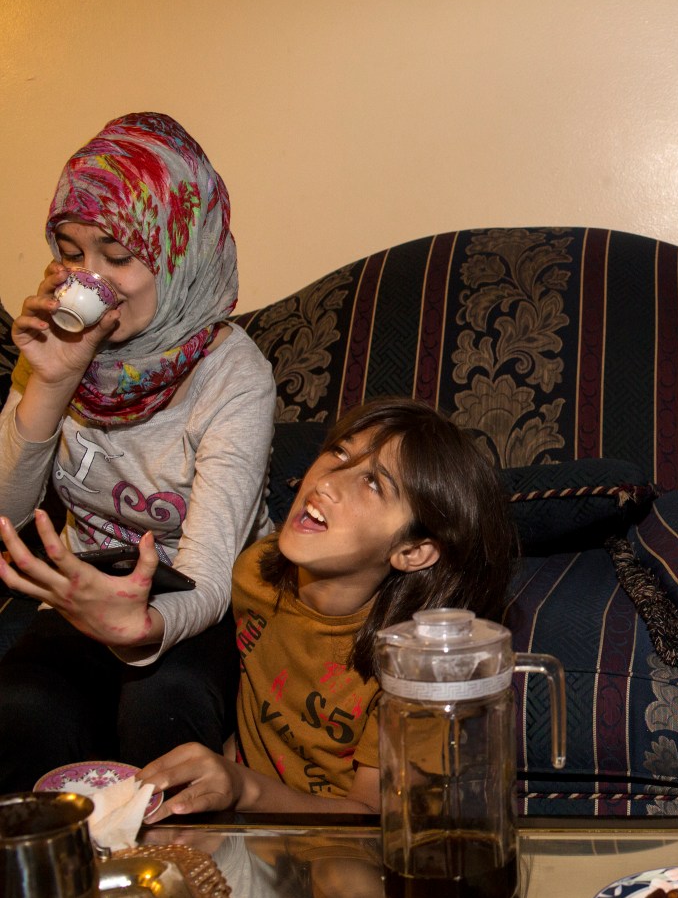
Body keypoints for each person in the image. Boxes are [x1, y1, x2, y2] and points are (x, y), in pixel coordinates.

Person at [0, 113, 276, 789]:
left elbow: (210, 579)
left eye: (118, 255)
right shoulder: (57, 349)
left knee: (163, 707)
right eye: (70, 251)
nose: (89, 278)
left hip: (199, 607)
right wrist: (53, 383)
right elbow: (4, 516)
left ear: (180, 252)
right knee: (19, 714)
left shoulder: (234, 374)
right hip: (80, 596)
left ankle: (187, 891)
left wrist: (140, 624)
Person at [137, 398, 517, 816]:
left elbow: (372, 817)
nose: (326, 482)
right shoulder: (254, 574)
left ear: (413, 550)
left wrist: (244, 789)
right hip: (248, 829)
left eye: (374, 483)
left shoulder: (416, 669)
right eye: (339, 452)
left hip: (339, 849)